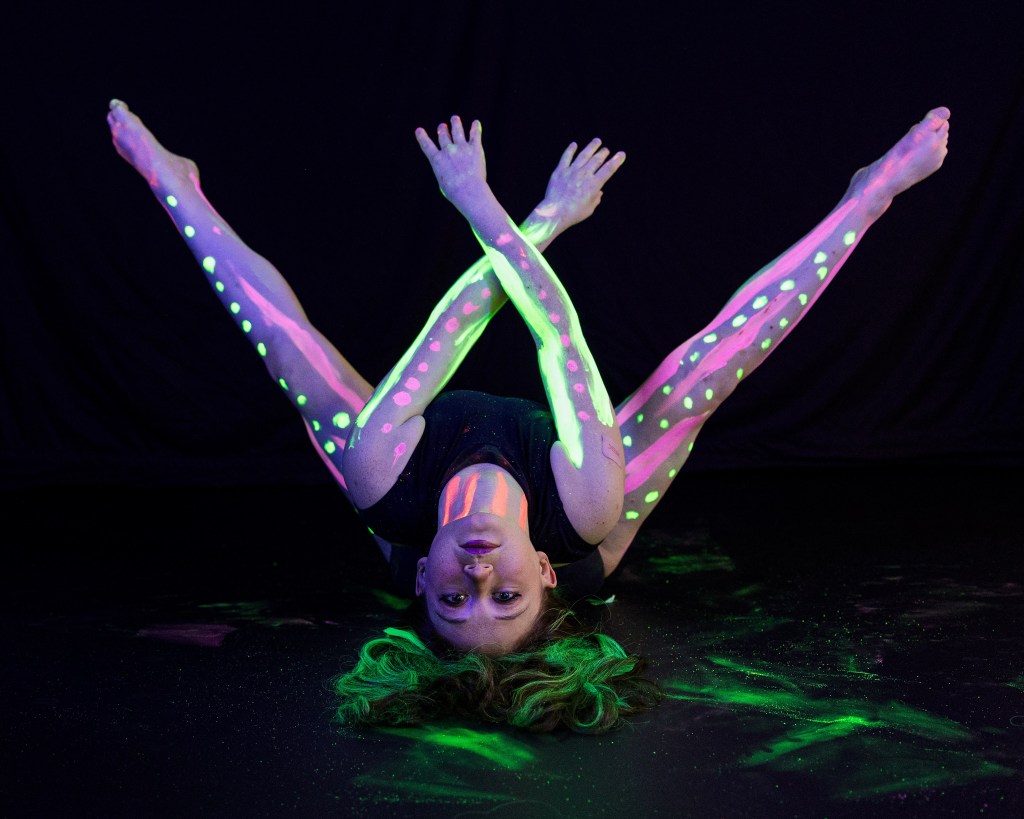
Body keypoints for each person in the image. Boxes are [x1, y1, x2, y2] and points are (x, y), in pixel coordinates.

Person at [107, 100, 950, 732]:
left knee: (293, 358)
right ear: (542, 575)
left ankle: (172, 183)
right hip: (580, 503)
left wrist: (512, 208)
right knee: (702, 376)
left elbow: (454, 328)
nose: (477, 577)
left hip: (412, 472)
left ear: (423, 575)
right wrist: (506, 212)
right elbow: (556, 332)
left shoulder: (386, 488)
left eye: (451, 598)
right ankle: (868, 196)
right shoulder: (578, 512)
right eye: (503, 596)